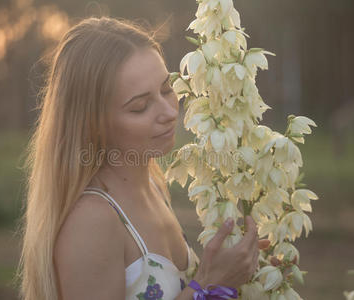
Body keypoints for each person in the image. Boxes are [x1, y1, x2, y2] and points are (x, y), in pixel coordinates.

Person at [16, 16, 270, 300]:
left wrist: (248, 278)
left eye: (166, 89)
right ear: (92, 123)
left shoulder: (153, 186)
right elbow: (201, 288)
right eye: (140, 106)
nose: (170, 112)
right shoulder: (92, 221)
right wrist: (210, 282)